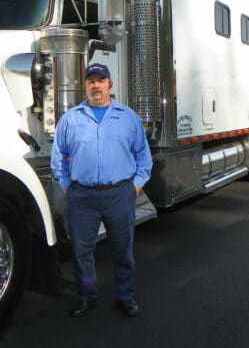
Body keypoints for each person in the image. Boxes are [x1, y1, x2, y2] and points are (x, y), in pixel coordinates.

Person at [50, 62, 153, 318]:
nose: (96, 85)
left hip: (120, 194)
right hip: (82, 197)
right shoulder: (70, 119)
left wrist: (135, 186)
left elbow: (143, 156)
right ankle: (87, 297)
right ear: (85, 86)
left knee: (122, 250)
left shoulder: (127, 117)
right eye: (91, 80)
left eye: (100, 80)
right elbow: (58, 158)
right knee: (82, 251)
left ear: (110, 84)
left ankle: (125, 297)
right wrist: (66, 187)